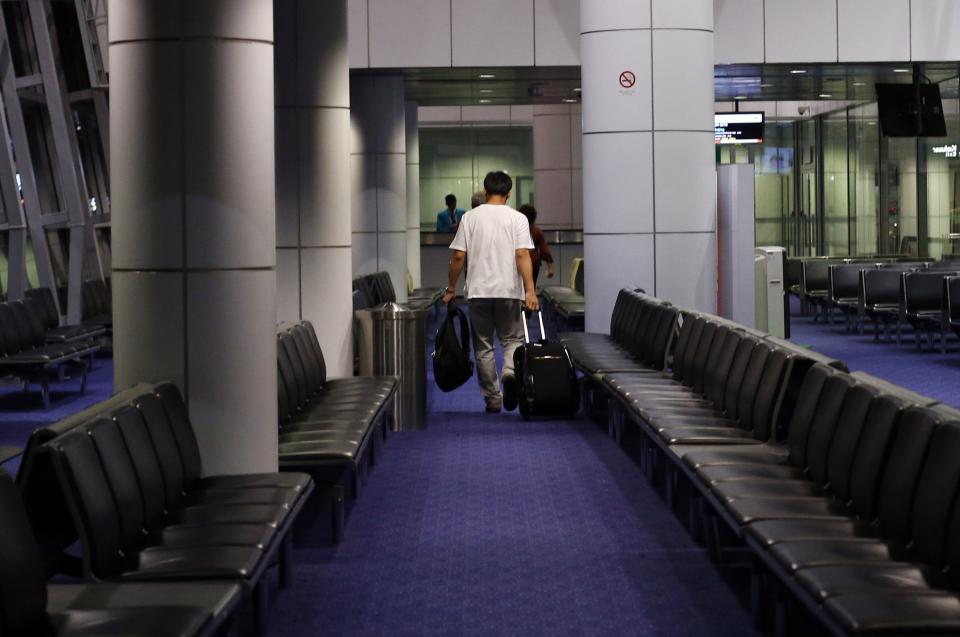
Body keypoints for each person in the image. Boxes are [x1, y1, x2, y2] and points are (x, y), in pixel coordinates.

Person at [443, 171, 538, 414]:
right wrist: (530, 290)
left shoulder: (470, 218)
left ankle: (493, 398)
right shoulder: (518, 219)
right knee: (512, 339)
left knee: (483, 346)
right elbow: (522, 254)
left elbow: (458, 256)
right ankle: (509, 372)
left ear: (486, 191)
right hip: (509, 291)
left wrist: (451, 288)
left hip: (478, 292)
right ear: (509, 193)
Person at [518, 204, 555, 284]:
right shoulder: (536, 231)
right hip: (533, 263)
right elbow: (545, 250)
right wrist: (550, 267)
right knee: (531, 285)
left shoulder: (516, 230)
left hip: (518, 263)